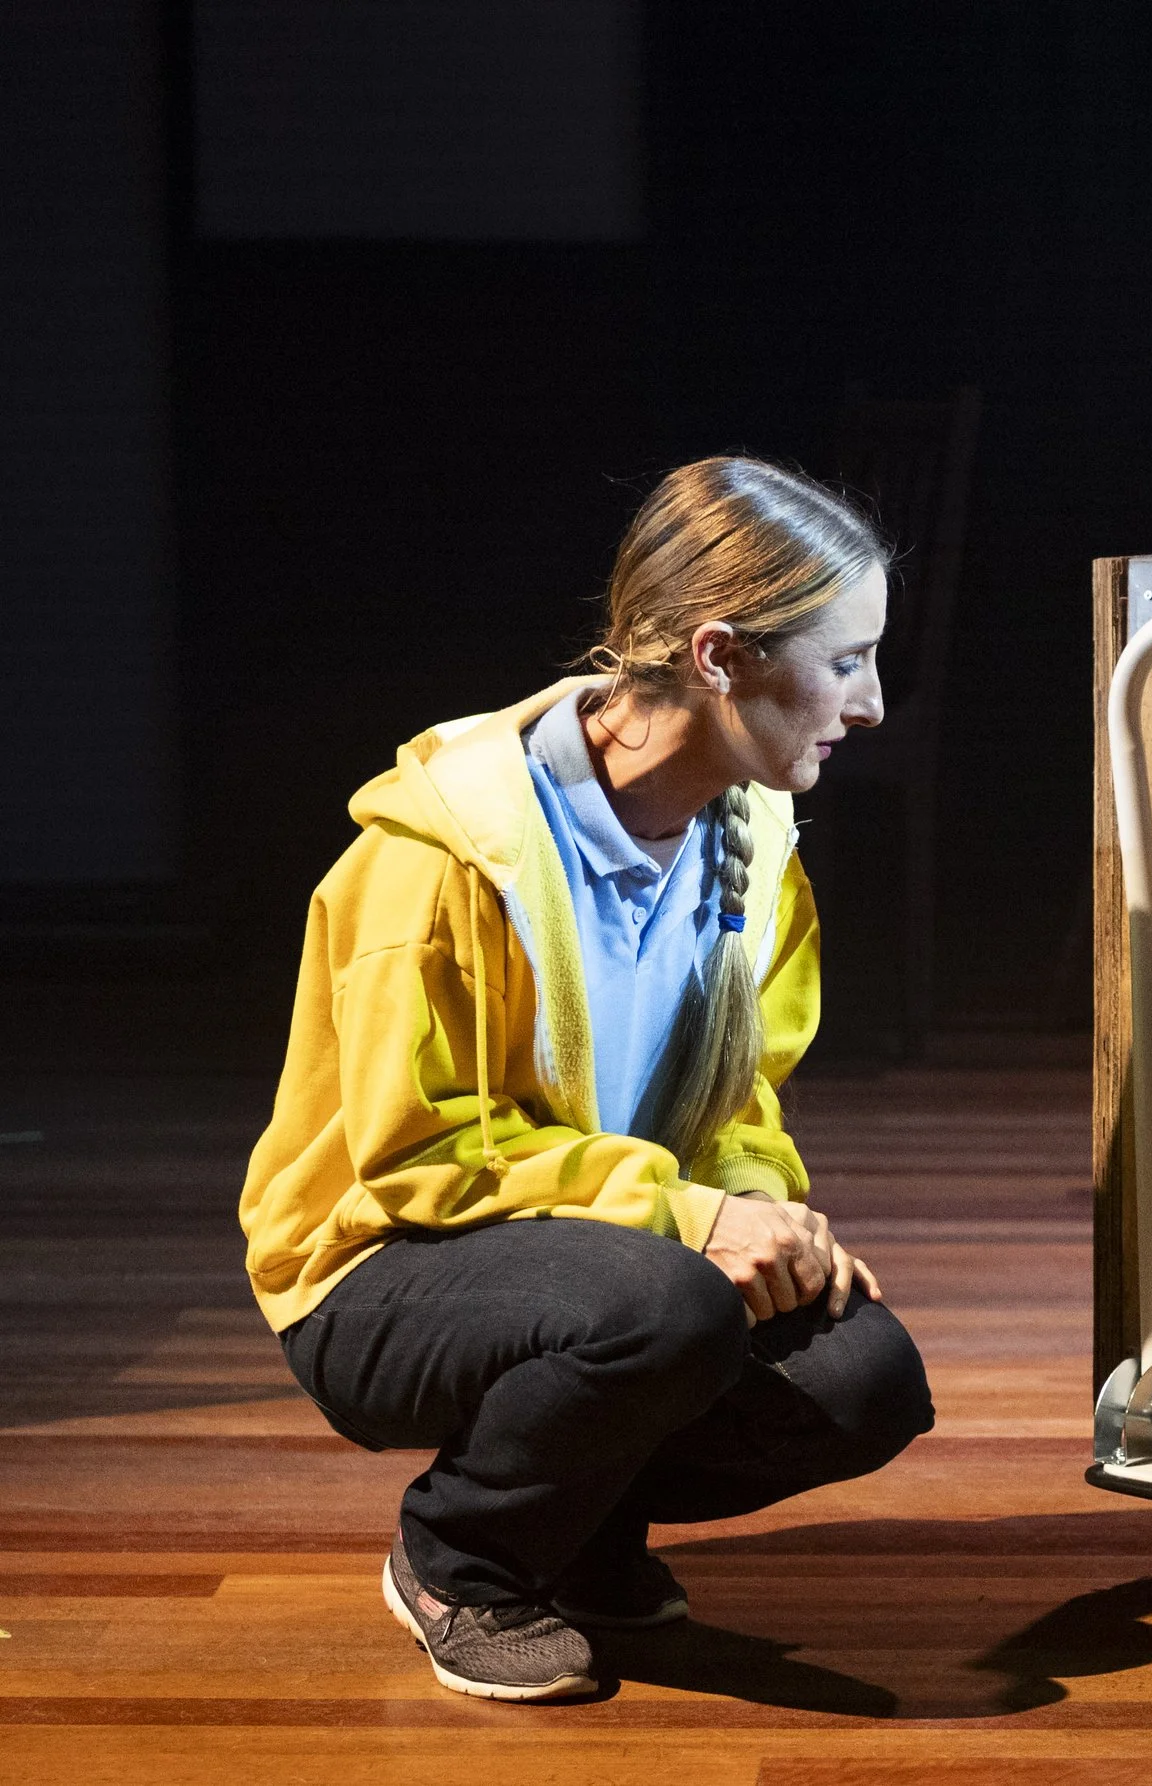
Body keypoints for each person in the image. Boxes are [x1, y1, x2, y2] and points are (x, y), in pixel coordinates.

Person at [237, 457, 934, 1703]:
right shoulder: (446, 856)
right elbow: (418, 1161)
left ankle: (582, 1525)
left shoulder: (754, 840)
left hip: (605, 1257)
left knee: (862, 1380)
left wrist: (757, 1207)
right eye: (846, 661)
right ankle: (461, 1559)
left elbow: (740, 1100)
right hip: (377, 1265)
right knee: (668, 1307)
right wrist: (690, 1219)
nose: (871, 704)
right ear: (719, 656)